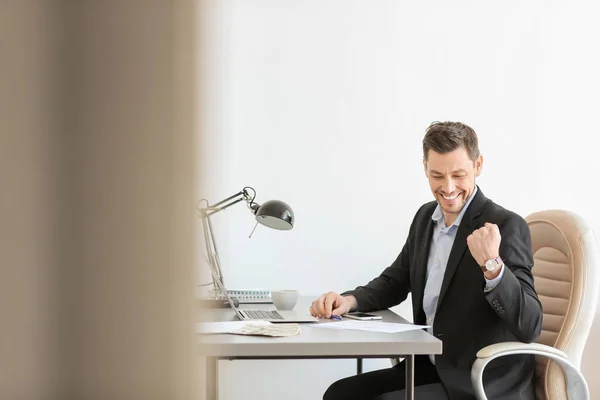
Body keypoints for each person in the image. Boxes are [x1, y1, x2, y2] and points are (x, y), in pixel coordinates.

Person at [310, 121, 543, 400]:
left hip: (479, 378)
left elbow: (530, 325)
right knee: (339, 394)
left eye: (459, 175)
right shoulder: (425, 219)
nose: (448, 187)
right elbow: (395, 280)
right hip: (430, 365)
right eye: (437, 175)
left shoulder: (506, 226)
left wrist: (492, 265)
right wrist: (349, 301)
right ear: (425, 169)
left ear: (478, 166)